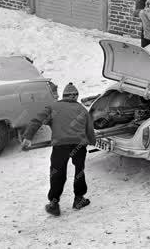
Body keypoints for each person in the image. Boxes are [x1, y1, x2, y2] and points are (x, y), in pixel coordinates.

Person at [21, 82, 96, 217]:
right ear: (76, 97)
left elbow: (37, 120)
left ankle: (54, 204)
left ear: (63, 96)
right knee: (79, 170)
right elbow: (89, 129)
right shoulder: (82, 109)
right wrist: (92, 141)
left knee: (57, 173)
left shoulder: (53, 107)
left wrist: (28, 137)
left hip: (60, 145)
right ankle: (79, 199)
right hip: (79, 145)